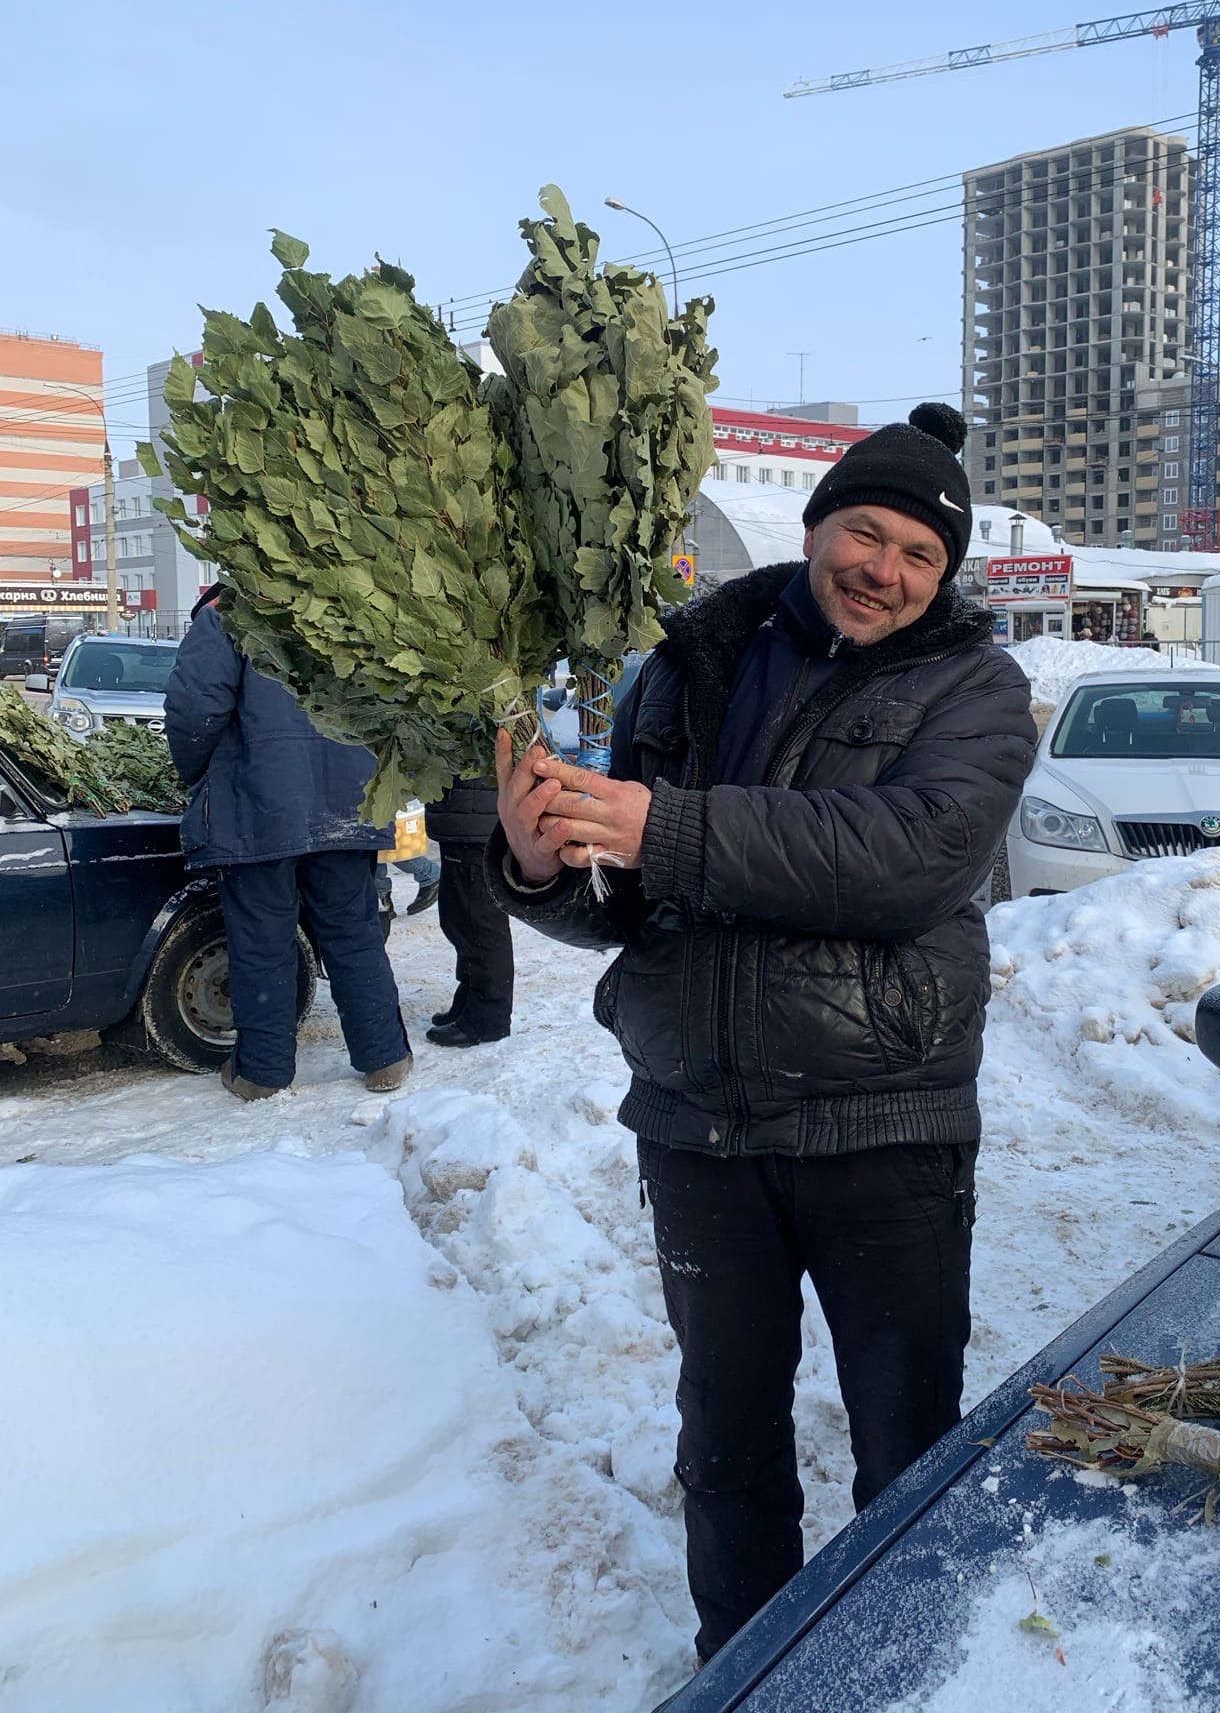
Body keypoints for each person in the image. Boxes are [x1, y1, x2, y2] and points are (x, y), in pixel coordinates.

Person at [489, 402, 1037, 1665]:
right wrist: (539, 867)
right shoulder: (695, 659)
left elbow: (912, 860)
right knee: (725, 1440)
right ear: (814, 526)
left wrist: (658, 827)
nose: (883, 571)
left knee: (906, 1437)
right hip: (701, 1127)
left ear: (944, 575)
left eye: (917, 554)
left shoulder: (977, 688)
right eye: (865, 533)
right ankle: (741, 1667)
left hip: (882, 1122)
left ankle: (903, 1664)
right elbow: (626, 900)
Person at [164, 588, 411, 1101]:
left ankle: (262, 1072)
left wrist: (202, 778)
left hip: (259, 804)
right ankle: (385, 1057)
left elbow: (194, 709)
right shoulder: (352, 600)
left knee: (261, 940)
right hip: (350, 800)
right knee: (353, 932)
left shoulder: (226, 614)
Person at [424, 779, 514, 1047]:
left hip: (476, 820)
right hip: (463, 815)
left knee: (479, 923)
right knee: (459, 921)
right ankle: (471, 998)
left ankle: (488, 1018)